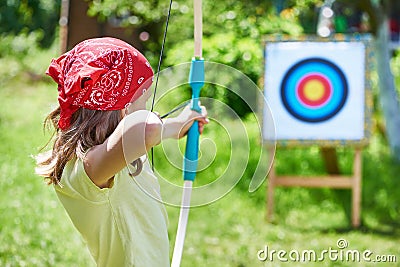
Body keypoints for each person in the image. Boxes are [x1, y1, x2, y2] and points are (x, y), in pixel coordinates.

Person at [35, 37, 208, 267]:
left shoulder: (111, 154)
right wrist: (158, 124)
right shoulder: (88, 168)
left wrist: (179, 125)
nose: (147, 109)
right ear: (123, 107)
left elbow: (144, 129)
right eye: (143, 101)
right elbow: (145, 129)